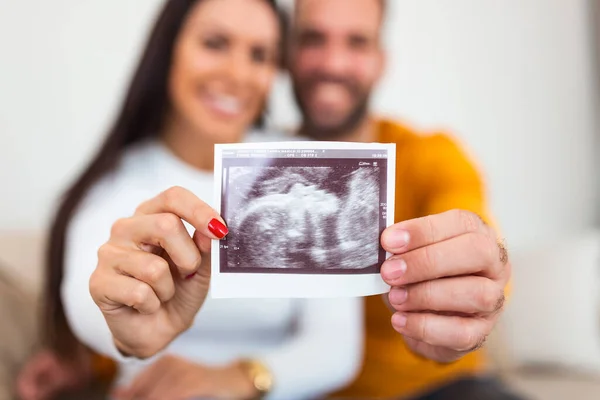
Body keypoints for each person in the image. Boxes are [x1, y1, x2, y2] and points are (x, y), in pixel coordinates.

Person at [19, 1, 363, 399]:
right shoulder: (115, 185)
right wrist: (125, 331)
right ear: (169, 52)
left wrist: (239, 378)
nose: (237, 74)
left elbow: (338, 347)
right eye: (215, 43)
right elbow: (85, 291)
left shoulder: (307, 168)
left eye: (259, 55)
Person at [286, 0, 518, 399]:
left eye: (357, 42)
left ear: (380, 61)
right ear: (287, 53)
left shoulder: (432, 156)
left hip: (441, 387)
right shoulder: (257, 169)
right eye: (313, 39)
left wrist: (480, 271)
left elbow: (475, 225)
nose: (334, 63)